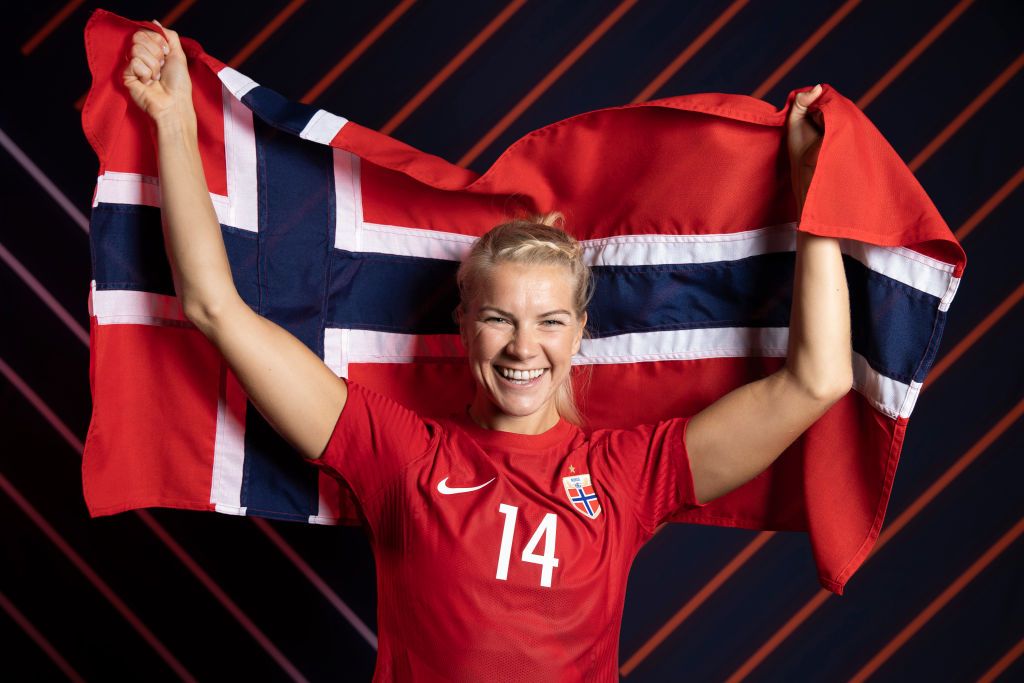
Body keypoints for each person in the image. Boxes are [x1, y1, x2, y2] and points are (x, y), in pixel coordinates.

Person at [123, 21, 851, 682]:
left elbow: (819, 378)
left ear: (579, 332)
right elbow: (213, 306)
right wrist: (175, 120)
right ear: (463, 324)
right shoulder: (400, 456)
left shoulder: (631, 475)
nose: (523, 346)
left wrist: (811, 197)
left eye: (550, 321)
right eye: (500, 318)